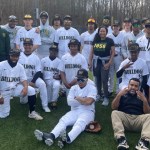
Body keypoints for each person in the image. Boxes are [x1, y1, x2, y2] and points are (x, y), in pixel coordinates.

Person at [34, 69, 97, 148]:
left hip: (88, 111)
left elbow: (89, 102)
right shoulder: (73, 88)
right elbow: (69, 102)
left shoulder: (92, 88)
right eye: (78, 79)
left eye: (82, 79)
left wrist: (77, 98)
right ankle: (51, 135)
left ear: (87, 78)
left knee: (80, 123)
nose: (80, 81)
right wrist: (83, 100)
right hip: (75, 110)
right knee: (63, 120)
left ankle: (66, 139)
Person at [0, 49, 43, 120]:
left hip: (15, 88)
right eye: (12, 56)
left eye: (16, 56)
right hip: (4, 91)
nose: (14, 58)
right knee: (4, 115)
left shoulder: (20, 66)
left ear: (19, 57)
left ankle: (32, 112)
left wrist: (26, 87)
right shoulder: (1, 65)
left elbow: (24, 79)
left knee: (31, 90)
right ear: (9, 56)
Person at [111, 78, 150, 150]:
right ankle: (121, 140)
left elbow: (147, 112)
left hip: (138, 119)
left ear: (138, 88)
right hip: (125, 119)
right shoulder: (122, 94)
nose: (133, 87)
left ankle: (143, 142)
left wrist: (144, 100)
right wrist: (119, 95)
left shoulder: (141, 96)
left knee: (149, 116)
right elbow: (113, 107)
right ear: (128, 85)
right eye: (131, 85)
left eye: (136, 86)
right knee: (114, 113)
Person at [18, 38, 50, 112]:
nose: (27, 46)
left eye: (29, 45)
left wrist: (33, 81)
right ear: (23, 46)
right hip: (22, 80)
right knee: (23, 102)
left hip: (32, 78)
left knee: (42, 84)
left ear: (32, 46)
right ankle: (32, 92)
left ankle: (45, 105)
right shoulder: (19, 56)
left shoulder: (35, 57)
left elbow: (38, 71)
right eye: (26, 44)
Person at [89, 26, 115, 106]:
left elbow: (113, 53)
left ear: (106, 32)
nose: (102, 33)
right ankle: (99, 95)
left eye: (104, 31)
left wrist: (109, 63)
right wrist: (90, 62)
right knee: (97, 79)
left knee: (104, 79)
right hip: (96, 62)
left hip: (105, 62)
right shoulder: (96, 40)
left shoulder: (110, 41)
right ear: (98, 32)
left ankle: (106, 97)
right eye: (101, 31)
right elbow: (91, 52)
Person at [41, 44, 61, 110]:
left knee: (57, 85)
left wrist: (60, 77)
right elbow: (40, 72)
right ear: (49, 51)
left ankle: (54, 101)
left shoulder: (59, 61)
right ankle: (51, 99)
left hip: (55, 79)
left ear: (57, 52)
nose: (53, 52)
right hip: (46, 80)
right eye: (52, 50)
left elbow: (61, 73)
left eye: (55, 51)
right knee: (48, 100)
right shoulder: (43, 60)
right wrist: (42, 81)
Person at [107, 20, 124, 95]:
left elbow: (124, 47)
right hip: (111, 57)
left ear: (119, 27)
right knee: (110, 74)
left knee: (118, 74)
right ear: (112, 27)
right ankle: (110, 90)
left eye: (117, 26)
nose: (115, 28)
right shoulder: (109, 36)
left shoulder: (123, 35)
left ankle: (118, 90)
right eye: (114, 26)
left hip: (119, 57)